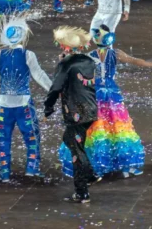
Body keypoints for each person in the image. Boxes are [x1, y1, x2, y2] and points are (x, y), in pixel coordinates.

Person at [58, 25, 152, 179]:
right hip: (107, 96)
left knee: (101, 128)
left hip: (100, 96)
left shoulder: (93, 56)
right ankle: (115, 165)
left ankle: (100, 165)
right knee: (114, 127)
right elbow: (135, 61)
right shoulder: (112, 54)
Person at [0, 15, 53, 181]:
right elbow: (39, 75)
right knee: (32, 137)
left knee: (3, 139)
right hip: (23, 104)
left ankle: (5, 173)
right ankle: (31, 168)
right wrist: (54, 91)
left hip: (3, 106)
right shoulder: (28, 55)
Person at [44, 27, 99, 204]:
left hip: (75, 112)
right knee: (70, 139)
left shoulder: (66, 64)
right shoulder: (89, 61)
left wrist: (48, 107)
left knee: (77, 151)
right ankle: (90, 175)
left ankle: (82, 192)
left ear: (65, 46)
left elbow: (56, 87)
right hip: (91, 109)